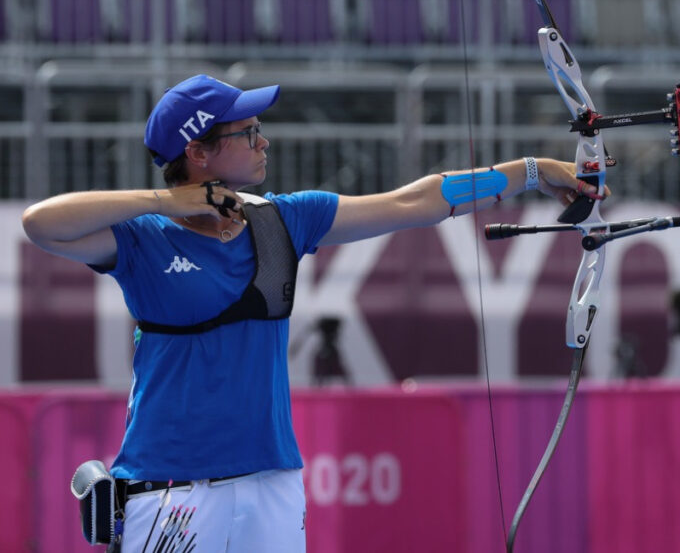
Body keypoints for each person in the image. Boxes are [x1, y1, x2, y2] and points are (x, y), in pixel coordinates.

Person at [21, 74, 604, 553]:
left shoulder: (284, 219)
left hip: (272, 481)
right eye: (248, 132)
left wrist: (534, 170)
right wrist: (167, 201)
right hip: (170, 490)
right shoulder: (144, 239)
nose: (263, 141)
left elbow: (417, 200)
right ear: (197, 152)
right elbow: (41, 223)